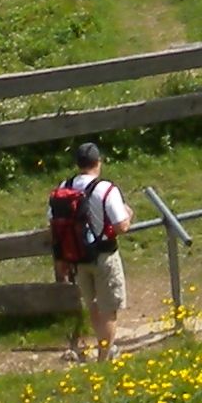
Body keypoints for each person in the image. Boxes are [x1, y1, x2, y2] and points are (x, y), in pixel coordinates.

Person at [49, 143, 135, 359]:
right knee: (108, 308)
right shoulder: (106, 189)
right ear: (98, 162)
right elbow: (121, 226)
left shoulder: (64, 186)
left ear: (78, 164)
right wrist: (129, 214)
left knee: (93, 305)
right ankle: (105, 356)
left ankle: (102, 347)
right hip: (104, 255)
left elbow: (52, 220)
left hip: (77, 256)